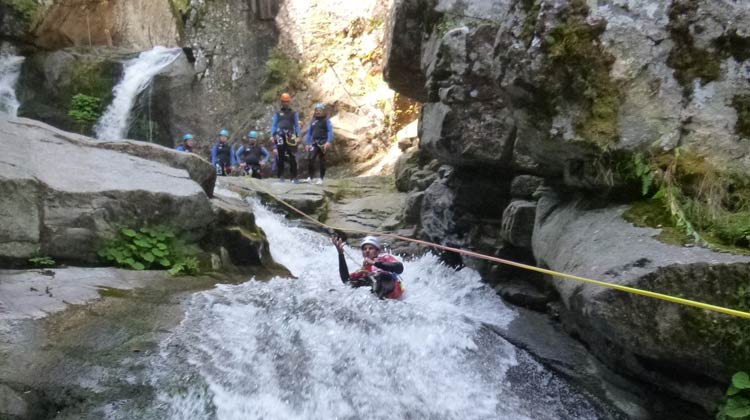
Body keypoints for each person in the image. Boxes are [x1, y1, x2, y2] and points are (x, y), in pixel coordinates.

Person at [331, 235, 404, 299]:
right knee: (358, 280)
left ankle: (375, 290)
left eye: (370, 248)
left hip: (391, 286)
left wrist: (376, 263)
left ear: (377, 251)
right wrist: (340, 254)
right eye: (364, 249)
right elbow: (346, 280)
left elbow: (399, 268)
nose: (367, 251)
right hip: (378, 292)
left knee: (379, 275)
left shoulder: (385, 258)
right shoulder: (364, 269)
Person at [270, 93, 301, 183]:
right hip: (280, 134)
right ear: (281, 102)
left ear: (289, 102)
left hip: (291, 135)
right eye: (283, 101)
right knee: (280, 155)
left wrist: (298, 136)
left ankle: (294, 176)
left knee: (292, 156)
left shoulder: (293, 113)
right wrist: (272, 135)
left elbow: (296, 125)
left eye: (287, 101)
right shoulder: (277, 113)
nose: (285, 103)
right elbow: (274, 125)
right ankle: (281, 176)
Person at [305, 103, 333, 184]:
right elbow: (309, 132)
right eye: (316, 110)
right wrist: (307, 143)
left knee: (322, 161)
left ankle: (321, 178)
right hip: (314, 143)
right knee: (310, 159)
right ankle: (310, 177)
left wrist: (328, 141)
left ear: (323, 111)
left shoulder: (326, 120)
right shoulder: (313, 120)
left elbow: (329, 131)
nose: (318, 112)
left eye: (319, 110)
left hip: (323, 143)